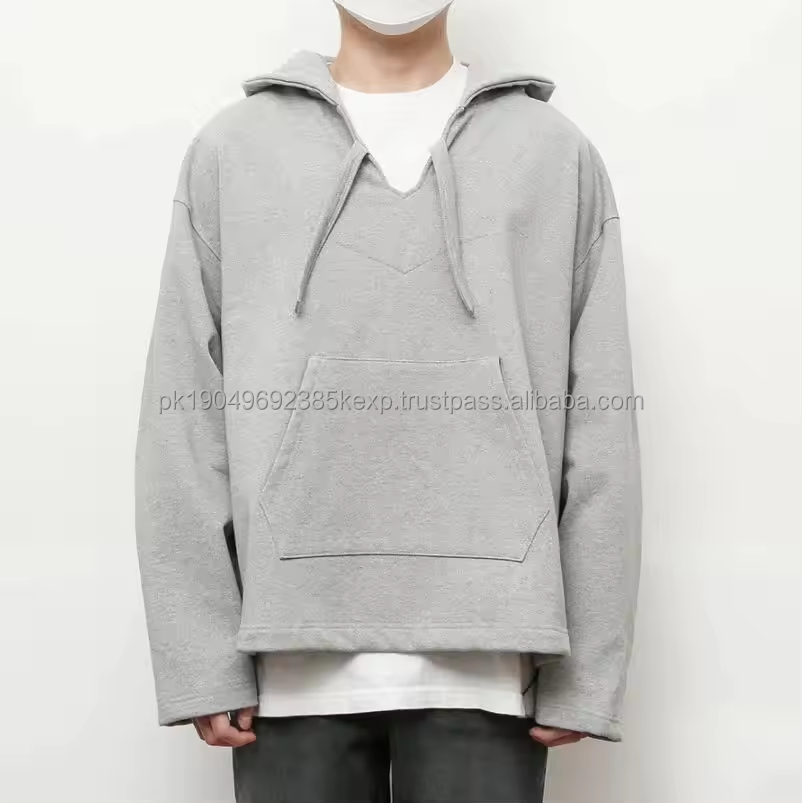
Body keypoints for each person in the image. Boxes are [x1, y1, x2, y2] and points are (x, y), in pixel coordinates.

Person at [134, 1, 643, 801]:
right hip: (290, 655)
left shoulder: (553, 154)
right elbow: (183, 412)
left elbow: (602, 423)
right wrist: (198, 653)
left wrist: (590, 673)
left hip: (491, 653)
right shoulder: (233, 150)